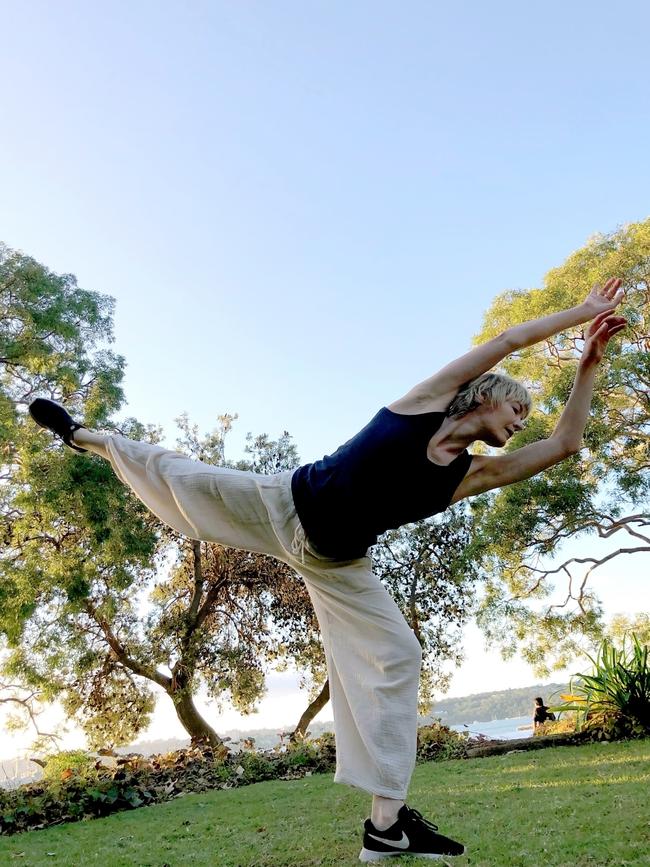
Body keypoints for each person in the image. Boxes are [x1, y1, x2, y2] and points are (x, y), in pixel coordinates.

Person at [28, 278, 625, 861]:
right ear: (483, 395)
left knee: (398, 656)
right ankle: (85, 436)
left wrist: (587, 366)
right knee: (181, 475)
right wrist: (582, 313)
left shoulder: (470, 474)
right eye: (518, 407)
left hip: (340, 564)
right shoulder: (422, 404)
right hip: (284, 502)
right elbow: (510, 338)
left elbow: (566, 444)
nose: (522, 420)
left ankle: (386, 825)